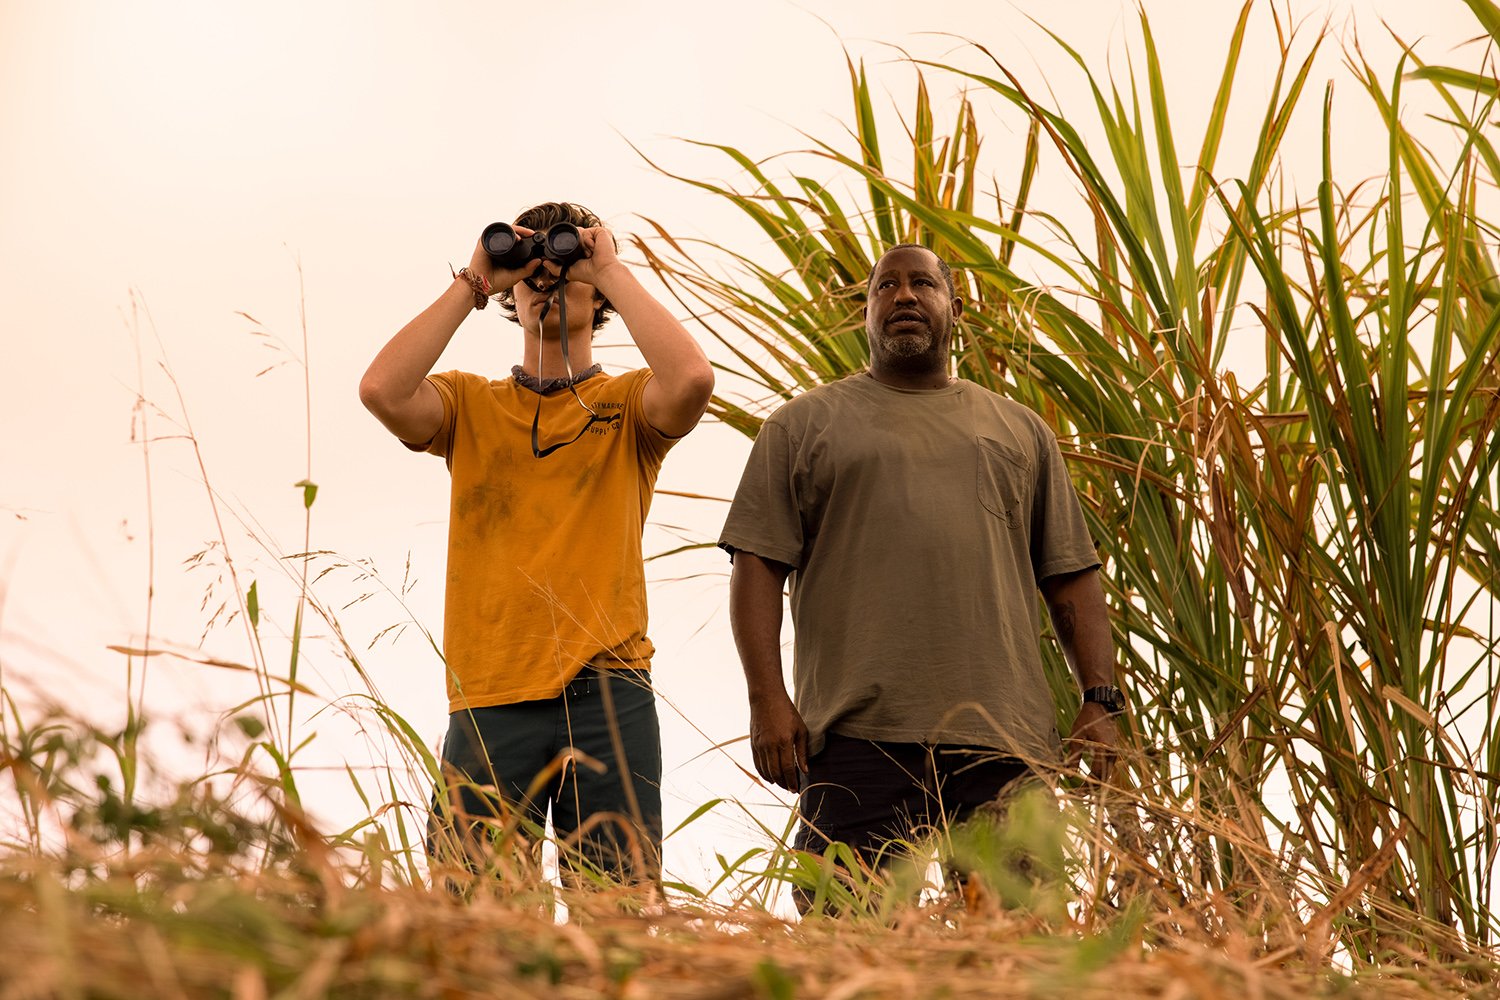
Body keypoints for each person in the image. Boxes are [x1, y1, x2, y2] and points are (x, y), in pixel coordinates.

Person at [718, 243, 1122, 880]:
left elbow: (1070, 575)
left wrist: (1100, 700)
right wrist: (768, 700)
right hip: (856, 735)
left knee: (1019, 949)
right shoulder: (802, 426)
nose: (903, 296)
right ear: (867, 314)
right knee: (848, 938)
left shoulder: (1020, 431)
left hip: (1006, 737)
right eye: (886, 287)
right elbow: (756, 567)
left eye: (922, 284)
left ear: (954, 308)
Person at [359, 201, 713, 882]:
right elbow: (381, 389)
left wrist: (606, 265)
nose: (546, 281)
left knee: (616, 912)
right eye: (530, 273)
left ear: (600, 298)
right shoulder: (470, 406)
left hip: (608, 686)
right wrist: (474, 279)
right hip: (493, 688)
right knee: (466, 911)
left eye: (564, 267)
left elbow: (692, 381)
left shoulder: (630, 405)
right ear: (511, 293)